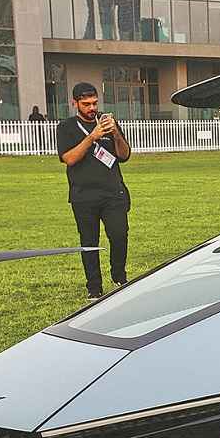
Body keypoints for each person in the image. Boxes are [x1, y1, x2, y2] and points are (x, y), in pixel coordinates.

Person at [56, 82, 132, 301]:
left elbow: (124, 156)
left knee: (119, 236)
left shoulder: (108, 123)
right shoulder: (66, 127)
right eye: (86, 104)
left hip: (113, 193)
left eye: (94, 103)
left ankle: (119, 277)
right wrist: (92, 137)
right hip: (84, 196)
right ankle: (94, 288)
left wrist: (115, 133)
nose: (92, 108)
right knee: (89, 242)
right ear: (75, 103)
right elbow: (69, 159)